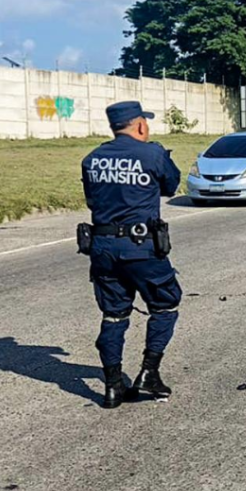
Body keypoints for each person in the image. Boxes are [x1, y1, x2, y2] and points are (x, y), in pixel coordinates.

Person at [81, 101, 183, 409]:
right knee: (165, 304)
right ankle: (148, 373)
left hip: (102, 248)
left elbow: (91, 199)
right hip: (141, 248)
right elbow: (171, 185)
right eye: (146, 123)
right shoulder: (152, 154)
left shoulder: (91, 159)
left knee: (114, 314)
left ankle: (112, 386)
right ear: (139, 125)